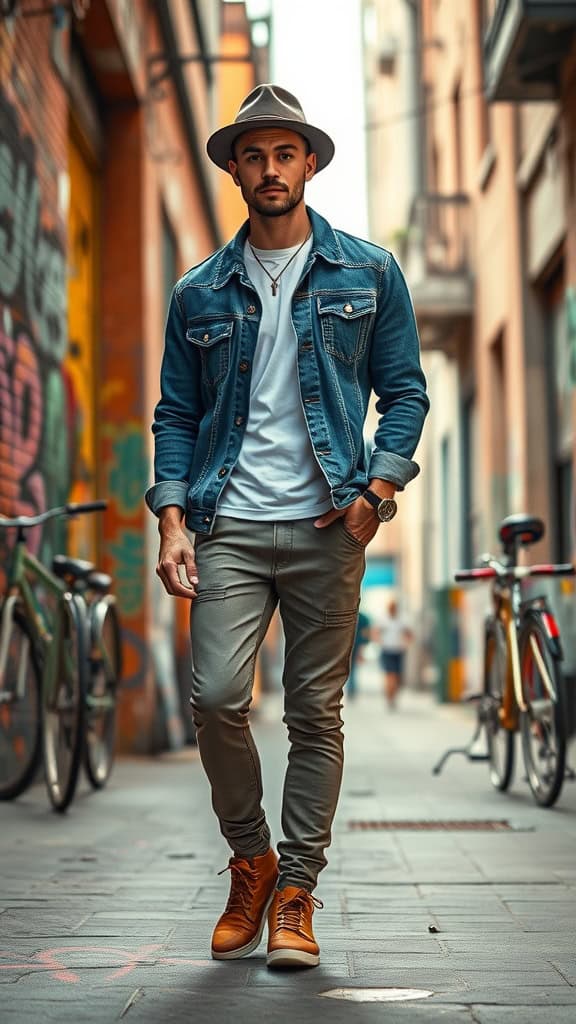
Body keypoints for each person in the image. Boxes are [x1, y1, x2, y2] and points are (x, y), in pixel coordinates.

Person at [145, 84, 429, 970]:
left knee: (315, 713)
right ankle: (252, 857)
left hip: (327, 524)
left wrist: (376, 491)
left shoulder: (369, 271)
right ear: (233, 168)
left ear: (308, 163)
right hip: (227, 522)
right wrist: (172, 520)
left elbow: (406, 392)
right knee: (220, 699)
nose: (269, 169)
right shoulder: (198, 292)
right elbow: (175, 414)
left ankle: (297, 893)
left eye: (285, 153)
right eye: (253, 154)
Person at [376, 598, 413, 709]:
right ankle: (389, 697)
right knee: (390, 676)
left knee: (397, 677)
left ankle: (393, 696)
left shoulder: (402, 620)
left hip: (398, 651)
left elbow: (409, 634)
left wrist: (406, 643)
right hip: (387, 651)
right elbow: (375, 632)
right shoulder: (383, 620)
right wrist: (380, 641)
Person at [346, 607, 371, 698]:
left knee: (349, 668)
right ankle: (351, 690)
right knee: (353, 669)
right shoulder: (364, 618)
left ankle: (350, 690)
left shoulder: (347, 616)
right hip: (357, 646)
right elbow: (366, 635)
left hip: (348, 646)